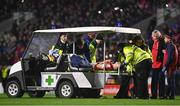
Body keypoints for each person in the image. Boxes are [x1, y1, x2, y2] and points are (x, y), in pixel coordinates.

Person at [150, 30, 166, 99]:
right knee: (154, 81)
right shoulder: (152, 42)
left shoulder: (162, 42)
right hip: (154, 65)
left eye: (153, 36)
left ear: (156, 36)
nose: (152, 37)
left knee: (161, 81)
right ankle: (154, 95)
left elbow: (164, 52)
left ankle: (162, 95)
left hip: (160, 65)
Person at [163, 35, 178, 99]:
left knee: (170, 81)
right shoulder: (173, 46)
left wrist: (165, 66)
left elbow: (170, 58)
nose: (164, 40)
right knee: (171, 81)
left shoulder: (170, 46)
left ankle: (171, 96)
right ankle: (169, 95)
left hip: (170, 67)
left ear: (169, 39)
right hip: (172, 66)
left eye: (165, 39)